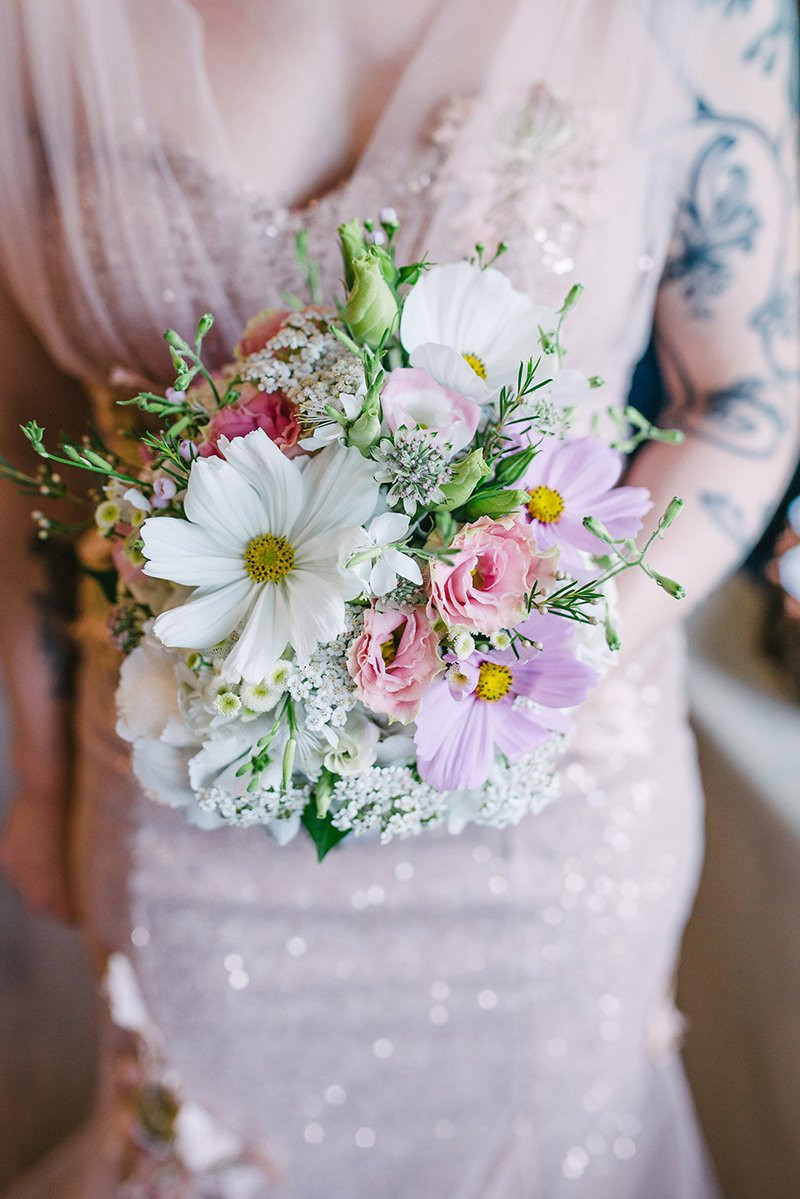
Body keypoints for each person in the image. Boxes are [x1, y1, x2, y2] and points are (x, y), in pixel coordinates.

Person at [0, 1, 797, 1195]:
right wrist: (48, 777)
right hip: (186, 811)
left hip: (543, 803)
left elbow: (739, 399)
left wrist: (535, 635)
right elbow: (35, 451)